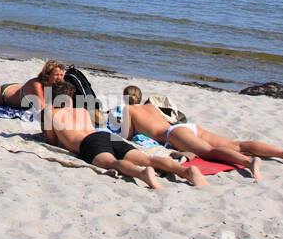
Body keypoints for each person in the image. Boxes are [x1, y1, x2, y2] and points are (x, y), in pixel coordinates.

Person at [41, 80, 206, 189]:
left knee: (112, 162)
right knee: (147, 159)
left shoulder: (51, 113)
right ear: (70, 97)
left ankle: (142, 174)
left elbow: (52, 141)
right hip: (105, 135)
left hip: (88, 142)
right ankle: (186, 172)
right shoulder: (82, 110)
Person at [117, 88, 283, 179]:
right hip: (188, 127)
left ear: (125, 99)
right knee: (237, 144)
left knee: (208, 151)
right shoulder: (151, 105)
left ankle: (249, 162)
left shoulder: (129, 110)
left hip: (172, 135)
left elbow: (127, 134)